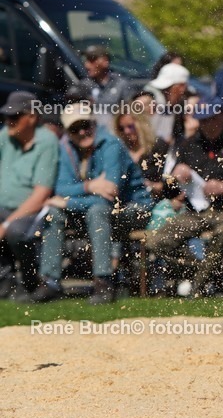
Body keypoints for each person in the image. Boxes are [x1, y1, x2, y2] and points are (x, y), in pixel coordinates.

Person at [35, 102, 152, 304]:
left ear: (94, 124)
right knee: (54, 213)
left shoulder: (111, 145)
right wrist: (89, 187)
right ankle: (50, 281)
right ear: (67, 131)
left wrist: (68, 203)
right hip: (96, 210)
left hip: (134, 210)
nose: (82, 132)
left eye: (86, 125)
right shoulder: (65, 148)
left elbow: (109, 194)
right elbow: (60, 189)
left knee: (97, 210)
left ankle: (103, 282)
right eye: (74, 128)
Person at [150, 95, 223, 296]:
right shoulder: (188, 145)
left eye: (211, 119)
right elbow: (168, 191)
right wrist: (174, 178)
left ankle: (198, 288)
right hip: (198, 211)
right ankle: (212, 275)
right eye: (202, 120)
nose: (206, 124)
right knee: (157, 240)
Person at [0, 92, 59, 299]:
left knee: (15, 231)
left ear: (32, 117)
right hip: (3, 208)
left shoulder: (47, 142)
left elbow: (41, 194)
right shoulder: (5, 136)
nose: (9, 122)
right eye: (6, 117)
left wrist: (6, 225)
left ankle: (30, 282)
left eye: (14, 117)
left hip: (31, 211)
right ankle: (4, 282)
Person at [80, 44, 133, 131]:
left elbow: (131, 114)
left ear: (105, 61)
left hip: (117, 132)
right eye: (86, 60)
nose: (87, 65)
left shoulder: (121, 84)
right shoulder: (83, 86)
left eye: (92, 60)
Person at [142, 62, 191, 144]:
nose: (183, 92)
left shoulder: (170, 103)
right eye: (183, 87)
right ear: (179, 86)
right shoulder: (149, 99)